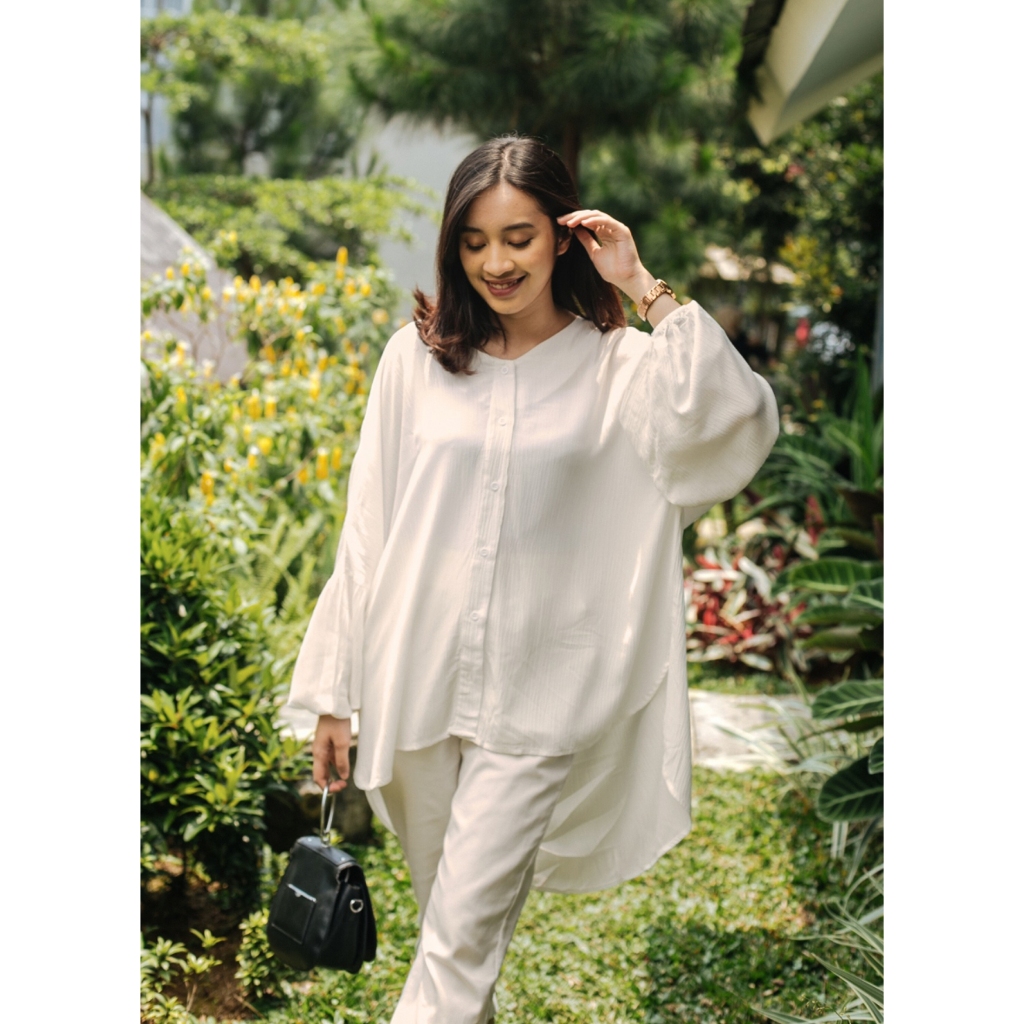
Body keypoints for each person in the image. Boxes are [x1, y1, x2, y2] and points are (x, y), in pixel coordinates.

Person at [286, 135, 779, 1023]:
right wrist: (333, 692)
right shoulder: (416, 359)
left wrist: (645, 287)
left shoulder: (619, 365)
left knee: (456, 947)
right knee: (454, 944)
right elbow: (368, 531)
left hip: (544, 693)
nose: (496, 263)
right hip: (416, 683)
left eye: (518, 237)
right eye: (474, 241)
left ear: (562, 236)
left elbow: (735, 420)